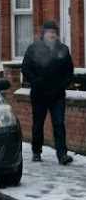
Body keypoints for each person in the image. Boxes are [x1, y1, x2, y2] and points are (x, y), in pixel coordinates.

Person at [21, 20, 74, 166]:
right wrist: (36, 81)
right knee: (38, 124)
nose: (51, 34)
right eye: (48, 32)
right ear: (43, 33)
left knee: (59, 123)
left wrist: (62, 84)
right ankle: (36, 152)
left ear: (56, 34)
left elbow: (69, 71)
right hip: (39, 94)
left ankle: (62, 154)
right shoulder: (33, 49)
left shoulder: (63, 50)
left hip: (57, 94)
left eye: (53, 32)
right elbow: (26, 68)